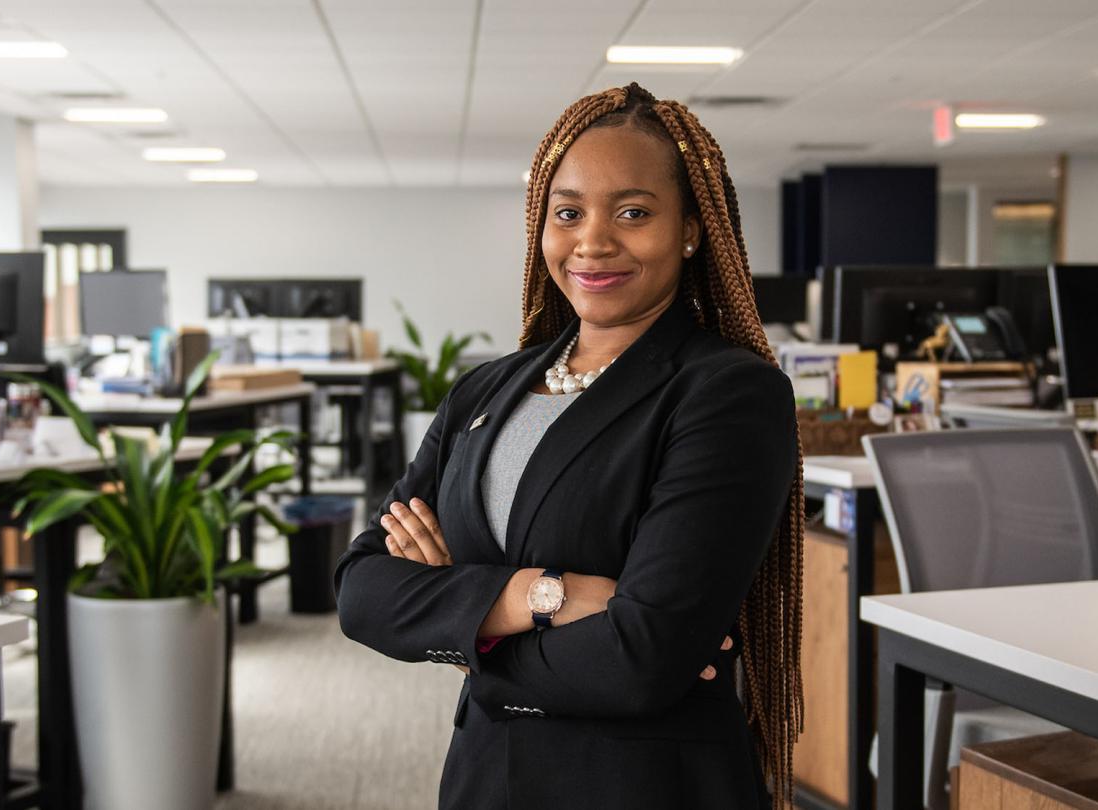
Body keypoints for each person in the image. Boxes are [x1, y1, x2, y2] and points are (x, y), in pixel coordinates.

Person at [334, 83, 806, 808]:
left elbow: (642, 659)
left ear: (690, 228)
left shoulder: (727, 393)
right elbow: (363, 591)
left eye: (634, 212)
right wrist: (539, 595)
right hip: (486, 778)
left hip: (642, 788)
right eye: (569, 213)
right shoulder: (485, 390)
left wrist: (469, 636)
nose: (593, 241)